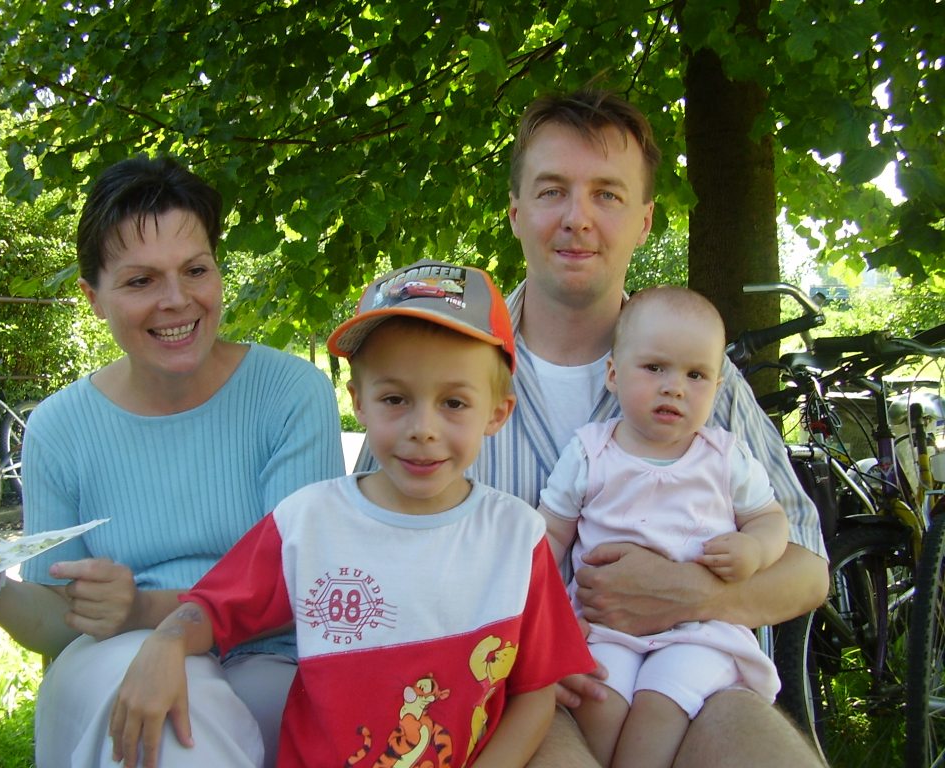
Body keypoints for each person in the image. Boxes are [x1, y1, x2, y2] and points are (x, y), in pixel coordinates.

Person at [354, 88, 829, 766]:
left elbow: (807, 567)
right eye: (552, 191)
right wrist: (517, 650)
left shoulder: (701, 377)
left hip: (692, 683)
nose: (577, 218)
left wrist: (691, 595)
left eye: (607, 194)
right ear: (516, 213)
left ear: (644, 220)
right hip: (495, 691)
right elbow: (365, 559)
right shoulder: (435, 368)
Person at [0, 155, 344, 768]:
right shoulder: (60, 428)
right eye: (141, 281)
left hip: (266, 656)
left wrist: (147, 614)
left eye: (195, 270)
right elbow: (59, 623)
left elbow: (298, 590)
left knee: (202, 715)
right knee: (165, 717)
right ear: (93, 297)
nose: (177, 300)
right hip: (113, 660)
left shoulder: (289, 395)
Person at [108, 258, 596, 768]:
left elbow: (535, 693)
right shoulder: (307, 523)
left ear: (497, 412)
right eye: (395, 399)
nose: (423, 429)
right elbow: (212, 608)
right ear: (359, 401)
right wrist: (165, 643)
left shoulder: (518, 538)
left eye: (453, 403)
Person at [538, 285, 789, 768]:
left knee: (661, 705)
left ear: (717, 389)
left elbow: (770, 518)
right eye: (654, 368)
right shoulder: (591, 452)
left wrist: (755, 549)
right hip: (605, 625)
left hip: (700, 632)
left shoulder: (724, 457)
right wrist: (548, 617)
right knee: (597, 700)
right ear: (613, 374)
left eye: (695, 375)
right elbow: (550, 535)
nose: (674, 387)